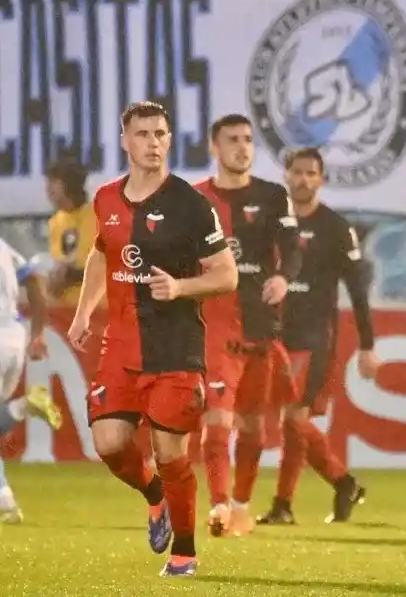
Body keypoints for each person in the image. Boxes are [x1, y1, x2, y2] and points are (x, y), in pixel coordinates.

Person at [66, 101, 238, 577]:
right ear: (125, 141)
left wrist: (182, 287)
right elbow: (102, 256)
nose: (153, 142)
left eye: (160, 133)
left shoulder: (191, 204)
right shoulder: (105, 199)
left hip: (175, 348)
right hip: (121, 348)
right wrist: (84, 313)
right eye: (142, 134)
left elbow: (227, 274)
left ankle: (184, 552)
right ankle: (153, 495)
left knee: (171, 454)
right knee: (109, 443)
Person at [257, 147, 379, 526]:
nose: (304, 179)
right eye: (297, 172)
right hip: (273, 334)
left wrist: (367, 345)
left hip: (314, 336)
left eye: (312, 173)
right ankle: (310, 495)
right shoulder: (270, 225)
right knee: (290, 422)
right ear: (286, 176)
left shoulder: (336, 229)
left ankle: (316, 491)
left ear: (321, 179)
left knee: (294, 418)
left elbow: (358, 290)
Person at [193, 114, 300, 537]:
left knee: (254, 427)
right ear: (213, 147)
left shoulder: (274, 197)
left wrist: (284, 277)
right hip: (216, 324)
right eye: (232, 140)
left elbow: (292, 248)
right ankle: (219, 506)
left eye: (248, 140)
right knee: (217, 420)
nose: (242, 147)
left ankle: (240, 507)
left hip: (260, 325)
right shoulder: (195, 200)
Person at [0, 237, 62, 522]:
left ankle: (24, 405)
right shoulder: (4, 246)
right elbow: (34, 279)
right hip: (13, 337)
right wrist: (37, 331)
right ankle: (5, 501)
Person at [45, 159, 96, 306]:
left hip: (99, 312)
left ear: (70, 184)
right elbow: (59, 268)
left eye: (53, 182)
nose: (48, 189)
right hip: (66, 313)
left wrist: (70, 275)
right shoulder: (55, 222)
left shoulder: (101, 215)